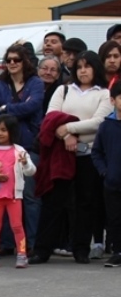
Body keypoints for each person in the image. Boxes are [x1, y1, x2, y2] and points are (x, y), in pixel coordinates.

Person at [31, 50, 111, 265]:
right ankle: (42, 249)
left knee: (85, 202)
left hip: (88, 154)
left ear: (96, 68)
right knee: (53, 201)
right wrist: (66, 135)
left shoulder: (104, 94)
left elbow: (98, 122)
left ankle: (81, 249)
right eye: (79, 67)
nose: (83, 71)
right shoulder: (63, 90)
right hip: (61, 153)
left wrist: (68, 128)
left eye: (87, 66)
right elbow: (51, 117)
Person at [0, 44, 45, 251]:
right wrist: (18, 109)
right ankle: (6, 243)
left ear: (25, 61)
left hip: (29, 145)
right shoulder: (0, 85)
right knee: (4, 194)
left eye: (17, 59)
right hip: (4, 147)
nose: (12, 63)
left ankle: (31, 243)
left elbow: (34, 105)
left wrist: (7, 108)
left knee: (29, 195)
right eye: (9, 59)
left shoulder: (35, 83)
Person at [0, 115, 37, 269]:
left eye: (4, 130)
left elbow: (31, 171)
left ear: (12, 131)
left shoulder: (19, 150)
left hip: (13, 196)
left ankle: (22, 254)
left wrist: (25, 163)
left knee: (17, 226)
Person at [92, 80, 121, 267]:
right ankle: (117, 251)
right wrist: (105, 171)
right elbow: (96, 152)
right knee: (114, 219)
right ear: (112, 101)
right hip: (113, 181)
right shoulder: (106, 126)